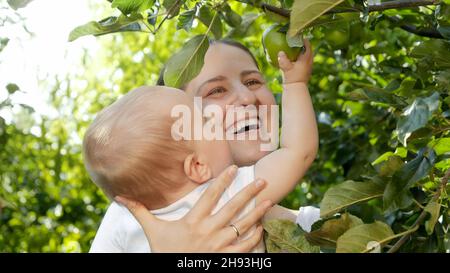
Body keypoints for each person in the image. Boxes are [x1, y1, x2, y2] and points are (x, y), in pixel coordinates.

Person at [88, 39, 320, 253]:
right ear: (197, 165)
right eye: (216, 91)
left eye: (253, 81)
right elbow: (298, 151)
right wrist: (295, 83)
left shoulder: (330, 230)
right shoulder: (230, 189)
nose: (247, 98)